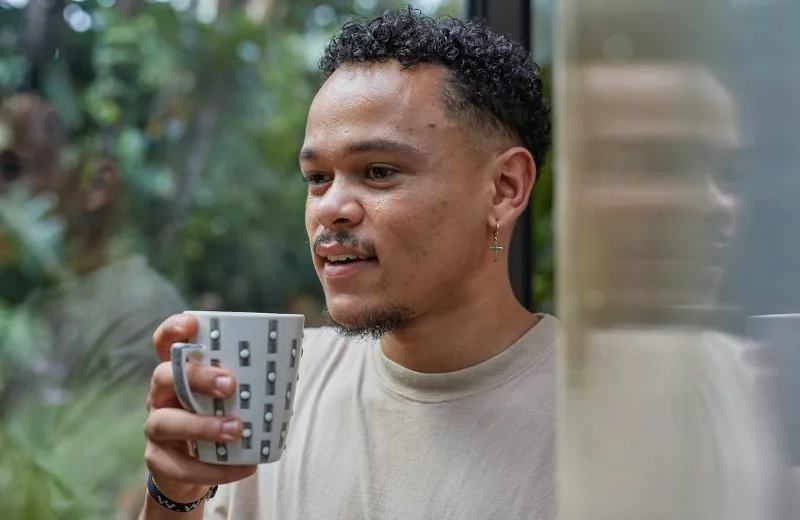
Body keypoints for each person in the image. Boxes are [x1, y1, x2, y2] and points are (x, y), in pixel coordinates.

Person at [140, 7, 554, 519]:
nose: (330, 207)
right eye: (317, 177)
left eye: (378, 171)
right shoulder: (270, 388)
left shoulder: (618, 415)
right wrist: (174, 495)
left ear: (503, 189)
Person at [0, 92, 186, 412]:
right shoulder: (39, 298)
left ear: (97, 185)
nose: (3, 189)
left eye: (11, 167)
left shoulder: (139, 313)